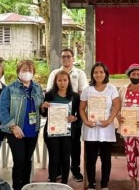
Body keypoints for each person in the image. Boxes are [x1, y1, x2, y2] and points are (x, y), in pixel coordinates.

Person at [0, 60, 44, 190]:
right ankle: (17, 187)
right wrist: (13, 126)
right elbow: (2, 110)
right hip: (16, 131)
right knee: (19, 161)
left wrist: (44, 107)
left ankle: (26, 186)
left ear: (33, 72)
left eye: (30, 70)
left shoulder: (37, 88)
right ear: (18, 71)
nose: (27, 72)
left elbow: (41, 108)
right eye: (24, 70)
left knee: (28, 161)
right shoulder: (10, 89)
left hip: (33, 130)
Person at [46, 48, 87, 182]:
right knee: (55, 151)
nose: (66, 59)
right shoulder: (54, 73)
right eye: (63, 56)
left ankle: (75, 171)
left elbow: (83, 93)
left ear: (73, 58)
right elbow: (49, 94)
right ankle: (56, 173)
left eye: (69, 56)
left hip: (73, 117)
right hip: (55, 120)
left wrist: (75, 117)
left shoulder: (80, 73)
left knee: (74, 147)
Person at [79, 62, 121, 190]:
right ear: (92, 74)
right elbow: (81, 108)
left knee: (105, 159)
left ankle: (104, 184)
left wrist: (109, 120)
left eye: (101, 72)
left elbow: (116, 106)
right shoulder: (88, 90)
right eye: (96, 72)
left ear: (105, 74)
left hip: (106, 129)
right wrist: (86, 121)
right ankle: (91, 183)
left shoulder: (111, 89)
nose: (98, 75)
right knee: (90, 159)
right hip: (90, 129)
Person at [41, 70, 81, 184]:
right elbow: (44, 114)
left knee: (65, 158)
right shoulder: (49, 95)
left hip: (67, 133)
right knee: (53, 158)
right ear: (55, 81)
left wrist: (75, 118)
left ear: (68, 81)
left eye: (65, 80)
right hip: (52, 132)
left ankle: (64, 183)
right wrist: (43, 107)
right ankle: (52, 183)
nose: (62, 83)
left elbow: (79, 114)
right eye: (59, 80)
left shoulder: (75, 96)